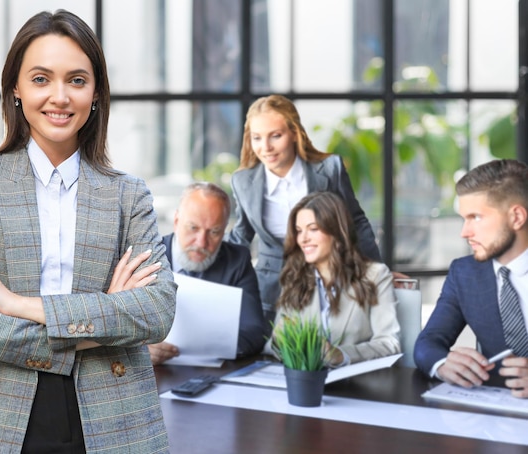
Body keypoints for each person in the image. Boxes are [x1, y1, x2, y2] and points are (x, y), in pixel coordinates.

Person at [0, 10, 176, 453]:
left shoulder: (128, 194)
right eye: (41, 79)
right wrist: (103, 321)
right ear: (16, 90)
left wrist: (12, 303)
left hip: (111, 413)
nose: (59, 97)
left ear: (96, 93)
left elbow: (156, 312)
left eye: (77, 81)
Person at [227, 94, 383, 322]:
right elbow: (241, 235)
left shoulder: (329, 170)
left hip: (328, 283)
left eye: (275, 136)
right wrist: (210, 276)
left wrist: (378, 272)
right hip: (270, 291)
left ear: (294, 133)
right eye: (257, 138)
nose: (266, 147)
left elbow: (356, 222)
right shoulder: (243, 181)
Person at [414, 159, 528, 398]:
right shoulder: (464, 274)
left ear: (517, 217)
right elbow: (428, 343)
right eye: (463, 218)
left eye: (476, 217)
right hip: (494, 417)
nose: (464, 232)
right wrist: (443, 364)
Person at [265, 191, 401, 366]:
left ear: (337, 232)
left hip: (356, 385)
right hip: (305, 382)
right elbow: (274, 345)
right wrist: (278, 339)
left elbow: (389, 343)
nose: (303, 239)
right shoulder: (294, 276)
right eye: (299, 231)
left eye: (313, 229)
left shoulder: (375, 276)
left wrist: (340, 355)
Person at [149, 182, 267, 365]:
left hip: (213, 374)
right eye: (193, 228)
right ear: (177, 221)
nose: (201, 242)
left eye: (214, 232)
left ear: (225, 229)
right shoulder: (147, 258)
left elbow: (255, 332)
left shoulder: (237, 261)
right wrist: (140, 349)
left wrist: (207, 346)